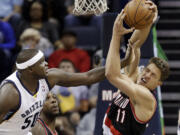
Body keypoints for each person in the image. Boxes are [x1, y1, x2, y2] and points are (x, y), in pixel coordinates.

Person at [0, 48, 104, 135]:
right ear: (31, 70)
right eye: (41, 63)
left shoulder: (49, 77)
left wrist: (118, 66)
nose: (46, 64)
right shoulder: (10, 93)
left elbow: (88, 77)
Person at [104, 2, 169, 135]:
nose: (147, 75)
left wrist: (116, 35)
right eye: (147, 70)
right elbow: (134, 45)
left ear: (158, 84)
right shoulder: (133, 79)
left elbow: (111, 74)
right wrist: (148, 20)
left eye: (153, 75)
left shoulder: (146, 97)